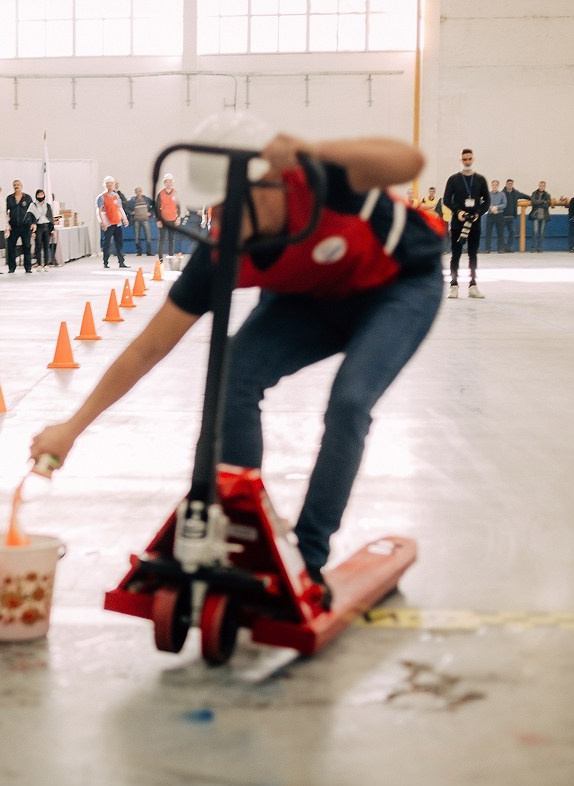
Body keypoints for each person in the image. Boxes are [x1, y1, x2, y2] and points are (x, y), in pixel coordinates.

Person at [30, 113, 444, 592]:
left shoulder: (321, 179)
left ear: (272, 185)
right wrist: (71, 428)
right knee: (233, 374)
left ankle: (308, 556)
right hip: (309, 302)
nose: (219, 222)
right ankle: (247, 531)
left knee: (350, 402)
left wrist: (315, 147)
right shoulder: (221, 251)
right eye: (214, 210)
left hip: (397, 289)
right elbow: (149, 347)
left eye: (229, 206)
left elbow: (408, 160)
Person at [443, 148, 490, 298]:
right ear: (461, 160)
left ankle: (473, 286)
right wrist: (458, 212)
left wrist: (478, 213)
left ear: (473, 159)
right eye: (464, 159)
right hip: (458, 223)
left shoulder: (480, 180)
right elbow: (446, 199)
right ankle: (454, 285)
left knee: (473, 255)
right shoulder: (453, 179)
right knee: (455, 254)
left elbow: (487, 201)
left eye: (469, 159)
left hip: (474, 224)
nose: (467, 162)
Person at [96, 176, 129, 268]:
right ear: (105, 185)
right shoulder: (101, 197)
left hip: (117, 223)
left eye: (111, 184)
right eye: (108, 184)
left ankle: (121, 262)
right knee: (107, 244)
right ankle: (105, 262)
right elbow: (98, 211)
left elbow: (120, 208)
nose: (110, 186)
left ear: (114, 185)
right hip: (108, 223)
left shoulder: (116, 196)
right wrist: (102, 222)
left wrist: (124, 218)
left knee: (119, 243)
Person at [6, 179, 35, 274]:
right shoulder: (9, 198)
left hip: (25, 226)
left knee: (26, 246)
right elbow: (5, 212)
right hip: (13, 227)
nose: (16, 186)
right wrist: (7, 224)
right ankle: (11, 268)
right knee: (11, 247)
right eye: (14, 185)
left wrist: (33, 223)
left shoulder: (27, 198)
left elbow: (33, 211)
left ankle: (28, 267)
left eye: (18, 184)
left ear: (21, 186)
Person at [499, 179, 531, 253]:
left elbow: (524, 195)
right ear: (506, 184)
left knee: (512, 232)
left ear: (512, 184)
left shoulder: (515, 193)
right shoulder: (502, 193)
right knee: (501, 232)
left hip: (511, 216)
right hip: (502, 216)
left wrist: (532, 198)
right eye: (508, 184)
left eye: (511, 184)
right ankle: (502, 247)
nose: (510, 185)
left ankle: (508, 247)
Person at [156, 174, 184, 256]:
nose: (168, 183)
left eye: (170, 182)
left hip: (173, 220)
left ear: (172, 183)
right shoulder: (160, 194)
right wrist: (158, 220)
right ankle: (160, 260)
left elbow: (178, 207)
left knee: (171, 239)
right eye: (167, 182)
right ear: (164, 183)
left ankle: (171, 257)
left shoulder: (176, 193)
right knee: (161, 239)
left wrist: (178, 217)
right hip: (163, 220)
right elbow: (157, 208)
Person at [28, 190, 54, 271]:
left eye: (42, 194)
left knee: (46, 246)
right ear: (36, 196)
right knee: (38, 246)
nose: (40, 196)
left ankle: (46, 264)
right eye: (38, 195)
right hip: (38, 227)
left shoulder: (48, 205)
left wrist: (52, 229)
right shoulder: (33, 205)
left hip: (46, 226)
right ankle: (39, 264)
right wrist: (32, 231)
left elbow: (51, 217)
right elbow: (30, 217)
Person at [128, 187, 155, 256]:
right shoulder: (132, 200)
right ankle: (139, 252)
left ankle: (149, 252)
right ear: (135, 192)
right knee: (137, 237)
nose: (138, 192)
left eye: (139, 191)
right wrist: (131, 212)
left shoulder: (146, 199)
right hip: (136, 220)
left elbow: (154, 205)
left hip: (145, 219)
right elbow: (126, 208)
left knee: (148, 236)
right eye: (137, 191)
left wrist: (150, 213)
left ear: (141, 191)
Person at [528, 181, 551, 253]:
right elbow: (533, 202)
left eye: (543, 186)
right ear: (539, 186)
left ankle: (540, 248)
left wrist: (538, 202)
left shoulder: (547, 195)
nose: (541, 187)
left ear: (545, 187)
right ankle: (533, 248)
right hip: (535, 215)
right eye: (540, 185)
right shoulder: (534, 193)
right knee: (535, 232)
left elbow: (547, 205)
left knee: (541, 233)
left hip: (544, 215)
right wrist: (542, 202)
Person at [484, 179, 506, 253]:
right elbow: (485, 203)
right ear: (491, 185)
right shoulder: (488, 194)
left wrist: (496, 207)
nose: (494, 186)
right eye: (493, 185)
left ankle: (500, 249)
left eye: (496, 185)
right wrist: (491, 208)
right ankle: (487, 249)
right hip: (490, 215)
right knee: (488, 233)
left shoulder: (502, 194)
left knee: (500, 232)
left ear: (498, 186)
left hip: (499, 215)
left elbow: (504, 204)